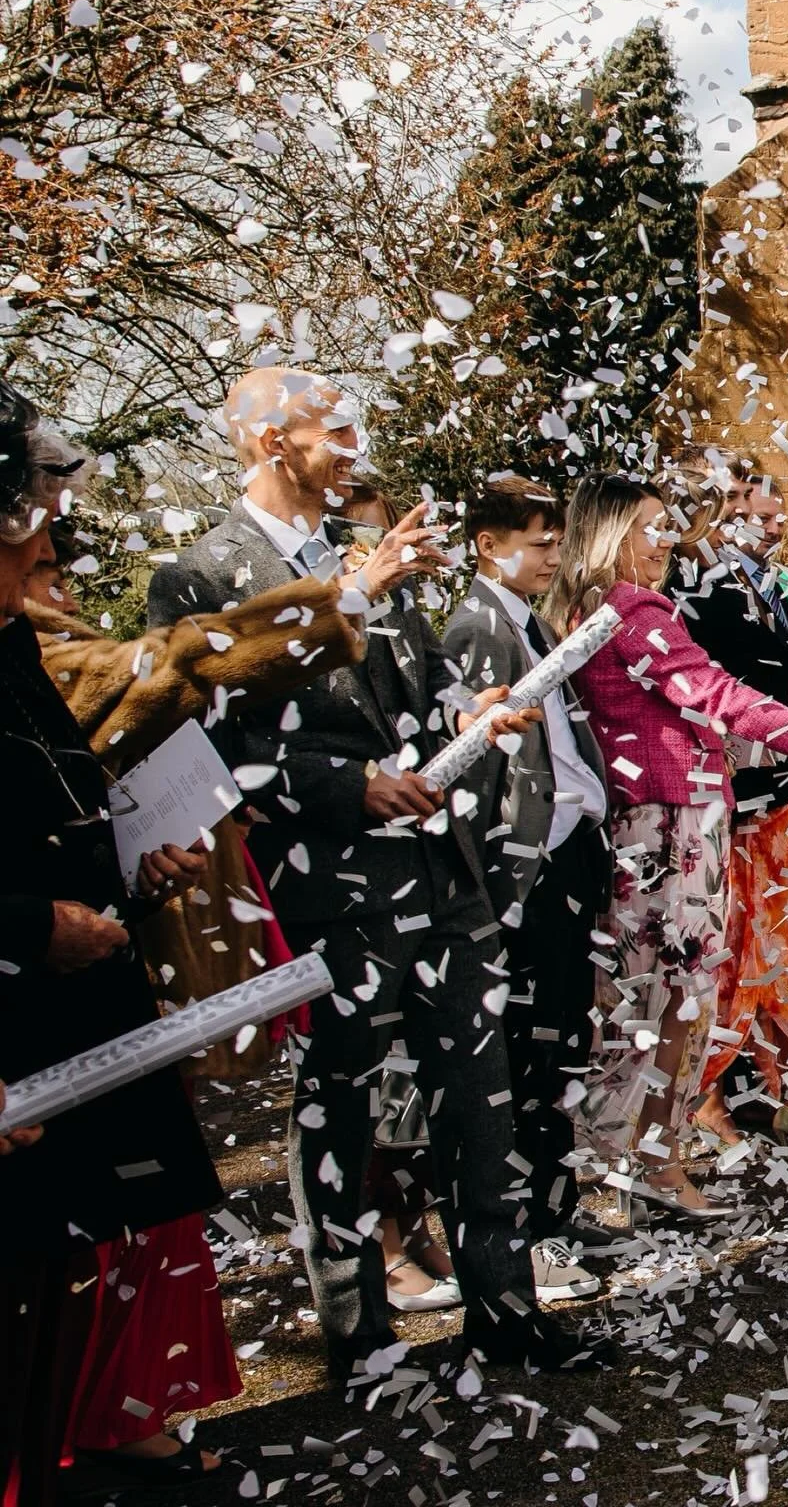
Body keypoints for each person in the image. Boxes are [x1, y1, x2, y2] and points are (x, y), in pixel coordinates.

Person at [148, 368, 609, 1379]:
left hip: (446, 872)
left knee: (478, 1092)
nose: (359, 445)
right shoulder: (202, 578)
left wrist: (473, 712)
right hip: (330, 883)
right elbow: (217, 744)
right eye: (338, 428)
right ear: (276, 444)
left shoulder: (371, 561)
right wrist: (350, 787)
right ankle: (354, 1328)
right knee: (341, 1102)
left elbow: (430, 691)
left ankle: (504, 1305)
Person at [22, 523, 365, 1480]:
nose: (47, 582)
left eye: (52, 565)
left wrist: (137, 869)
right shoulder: (60, 659)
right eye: (35, 560)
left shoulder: (40, 647)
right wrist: (347, 596)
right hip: (35, 990)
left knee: (145, 1213)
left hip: (98, 975)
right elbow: (177, 666)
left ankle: (120, 1413)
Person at [0, 381, 222, 1506]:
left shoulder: (9, 651)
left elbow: (53, 805)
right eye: (32, 514)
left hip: (69, 1014)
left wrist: (127, 866)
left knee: (57, 1301)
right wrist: (32, 925)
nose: (44, 538)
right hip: (19, 1016)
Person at [549, 473, 788, 1216]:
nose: (665, 540)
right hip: (667, 832)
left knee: (658, 1001)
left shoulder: (586, 609)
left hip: (657, 825)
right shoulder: (632, 609)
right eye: (650, 527)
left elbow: (698, 718)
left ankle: (638, 1163)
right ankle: (620, 1170)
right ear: (608, 536)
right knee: (664, 1002)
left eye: (668, 526)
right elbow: (718, 698)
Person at [442, 474, 611, 1305]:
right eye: (540, 541)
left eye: (555, 541)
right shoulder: (477, 629)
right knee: (534, 1053)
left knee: (562, 1047)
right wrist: (526, 867)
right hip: (529, 869)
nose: (553, 555)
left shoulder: (530, 620)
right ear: (487, 543)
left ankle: (560, 1211)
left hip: (569, 854)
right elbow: (488, 772)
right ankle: (539, 1237)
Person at [669, 466, 788, 1154]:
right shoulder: (688, 592)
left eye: (776, 516)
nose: (772, 526)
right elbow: (716, 693)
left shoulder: (762, 586)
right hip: (725, 808)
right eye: (754, 513)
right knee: (723, 962)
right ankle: (699, 1100)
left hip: (776, 800)